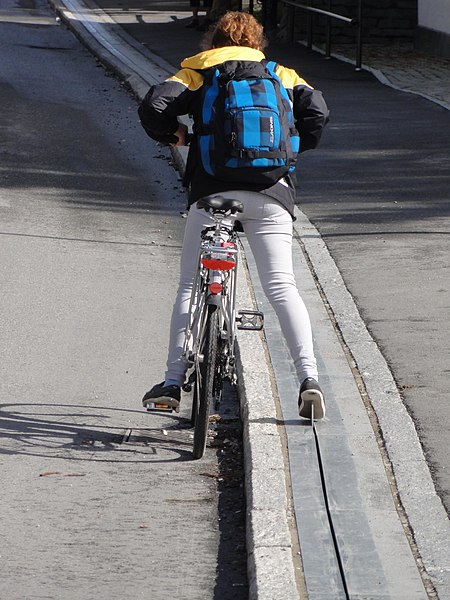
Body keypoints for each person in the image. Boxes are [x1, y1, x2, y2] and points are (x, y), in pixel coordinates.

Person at [138, 11, 330, 420]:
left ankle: (173, 381)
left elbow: (154, 105)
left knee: (191, 285)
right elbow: (317, 113)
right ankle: (309, 379)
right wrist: (290, 150)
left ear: (214, 39)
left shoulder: (198, 69)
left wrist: (178, 135)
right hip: (271, 193)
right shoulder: (282, 72)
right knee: (281, 287)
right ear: (258, 41)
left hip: (212, 192)